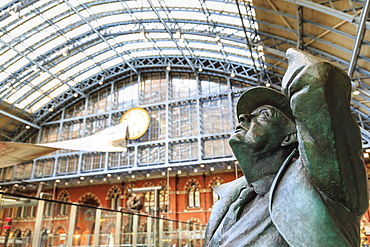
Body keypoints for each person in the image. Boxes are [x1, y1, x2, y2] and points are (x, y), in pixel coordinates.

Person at [205, 48, 369, 246]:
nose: (243, 117)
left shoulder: (318, 186)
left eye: (263, 114)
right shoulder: (229, 200)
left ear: (291, 136)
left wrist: (290, 54)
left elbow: (316, 78)